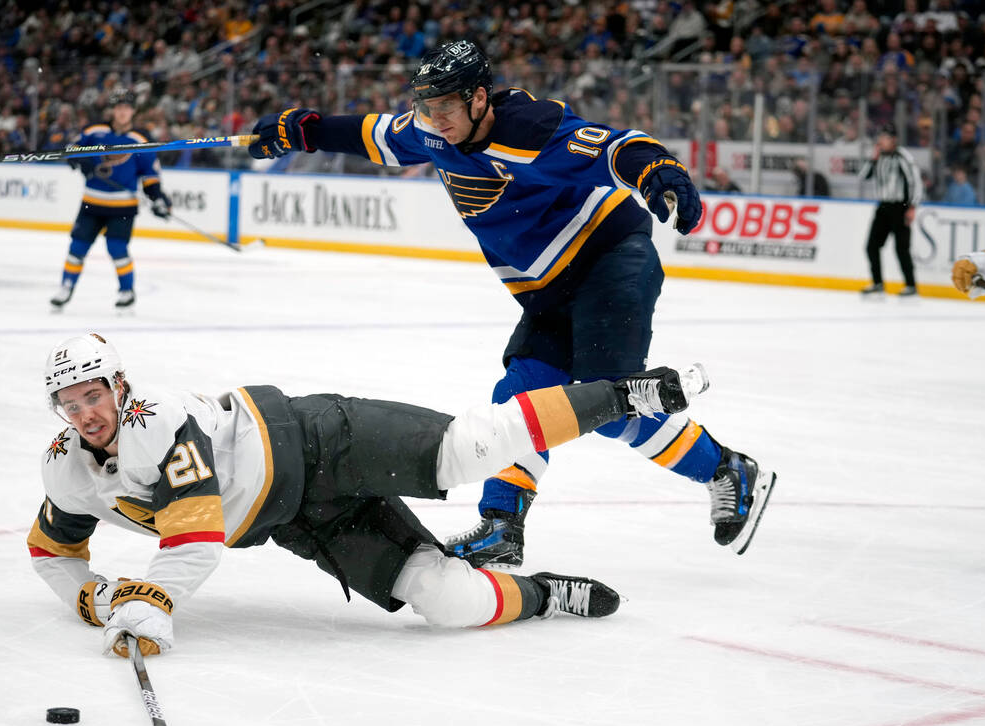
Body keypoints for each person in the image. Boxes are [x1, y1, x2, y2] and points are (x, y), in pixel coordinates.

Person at [247, 40, 775, 569]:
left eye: (446, 108)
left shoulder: (530, 128)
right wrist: (305, 130)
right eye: (427, 107)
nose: (434, 119)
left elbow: (615, 146)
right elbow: (377, 135)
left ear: (480, 99)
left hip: (609, 260)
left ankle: (728, 469)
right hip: (547, 291)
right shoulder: (433, 128)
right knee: (521, 402)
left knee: (611, 402)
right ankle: (502, 527)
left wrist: (656, 169)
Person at [28, 333, 708, 656]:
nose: (86, 413)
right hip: (301, 519)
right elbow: (49, 551)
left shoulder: (156, 418)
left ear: (119, 386)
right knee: (447, 602)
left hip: (319, 436)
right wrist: (94, 596)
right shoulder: (67, 468)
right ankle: (545, 594)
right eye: (71, 403)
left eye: (94, 395)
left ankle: (626, 394)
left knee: (468, 449)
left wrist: (155, 597)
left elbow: (196, 529)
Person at [50, 89, 172, 311]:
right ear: (113, 110)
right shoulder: (95, 131)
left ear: (133, 111)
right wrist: (79, 159)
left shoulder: (141, 139)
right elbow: (72, 149)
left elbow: (150, 173)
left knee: (117, 249)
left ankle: (126, 291)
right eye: (119, 108)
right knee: (77, 247)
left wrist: (157, 197)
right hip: (92, 202)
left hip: (122, 206)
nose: (122, 112)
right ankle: (66, 287)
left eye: (127, 108)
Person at [857, 123, 923, 297]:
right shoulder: (879, 158)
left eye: (885, 138)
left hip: (900, 206)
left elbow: (914, 182)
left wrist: (912, 207)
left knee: (901, 248)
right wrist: (873, 158)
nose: (881, 141)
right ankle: (877, 283)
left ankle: (911, 285)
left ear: (893, 140)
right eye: (880, 137)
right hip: (883, 205)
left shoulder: (903, 157)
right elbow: (862, 176)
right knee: (871, 246)